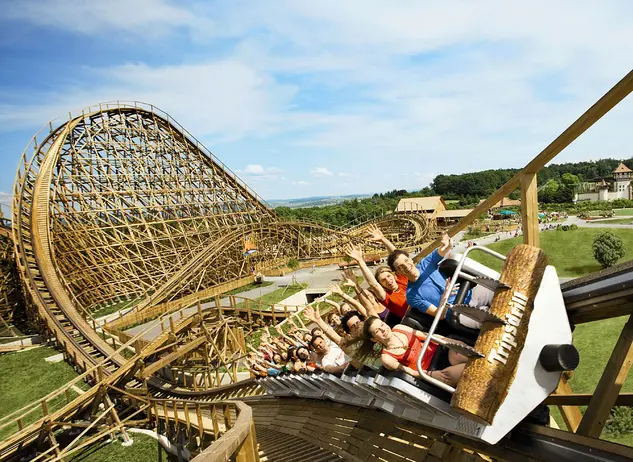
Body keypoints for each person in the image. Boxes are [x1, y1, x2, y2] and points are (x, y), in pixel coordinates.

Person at [388, 234, 493, 329]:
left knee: (494, 289)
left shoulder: (426, 263)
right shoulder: (412, 295)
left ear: (410, 259)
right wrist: (444, 298)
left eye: (406, 261)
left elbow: (445, 248)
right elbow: (440, 315)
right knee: (489, 319)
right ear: (398, 272)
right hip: (458, 313)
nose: (406, 266)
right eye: (400, 267)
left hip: (470, 294)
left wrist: (448, 242)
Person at [362, 316, 468, 386]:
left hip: (439, 351)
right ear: (374, 339)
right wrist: (432, 374)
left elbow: (427, 336)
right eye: (377, 331)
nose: (383, 329)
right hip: (430, 369)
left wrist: (451, 342)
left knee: (459, 354)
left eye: (382, 324)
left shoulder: (399, 328)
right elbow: (410, 372)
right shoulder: (387, 358)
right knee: (464, 370)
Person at [344, 243, 408, 320]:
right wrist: (360, 261)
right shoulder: (386, 297)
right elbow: (373, 284)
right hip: (417, 318)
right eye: (383, 280)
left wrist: (383, 240)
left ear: (393, 275)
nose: (388, 280)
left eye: (388, 276)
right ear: (381, 284)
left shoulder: (402, 279)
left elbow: (399, 258)